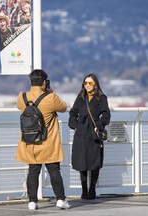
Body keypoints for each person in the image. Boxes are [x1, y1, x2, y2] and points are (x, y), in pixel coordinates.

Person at [16, 69, 70, 210]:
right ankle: (61, 199)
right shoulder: (50, 98)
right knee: (54, 170)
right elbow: (64, 107)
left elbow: (19, 107)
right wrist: (50, 92)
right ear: (44, 82)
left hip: (29, 142)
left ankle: (32, 202)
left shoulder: (22, 97)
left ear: (31, 81)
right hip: (47, 142)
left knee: (33, 171)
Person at [68, 73, 111, 200]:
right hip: (81, 133)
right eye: (85, 83)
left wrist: (100, 125)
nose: (87, 85)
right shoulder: (80, 97)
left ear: (95, 84)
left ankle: (92, 189)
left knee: (94, 162)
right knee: (82, 162)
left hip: (94, 133)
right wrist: (75, 125)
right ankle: (84, 190)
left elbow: (106, 115)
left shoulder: (102, 98)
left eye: (90, 83)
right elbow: (73, 113)